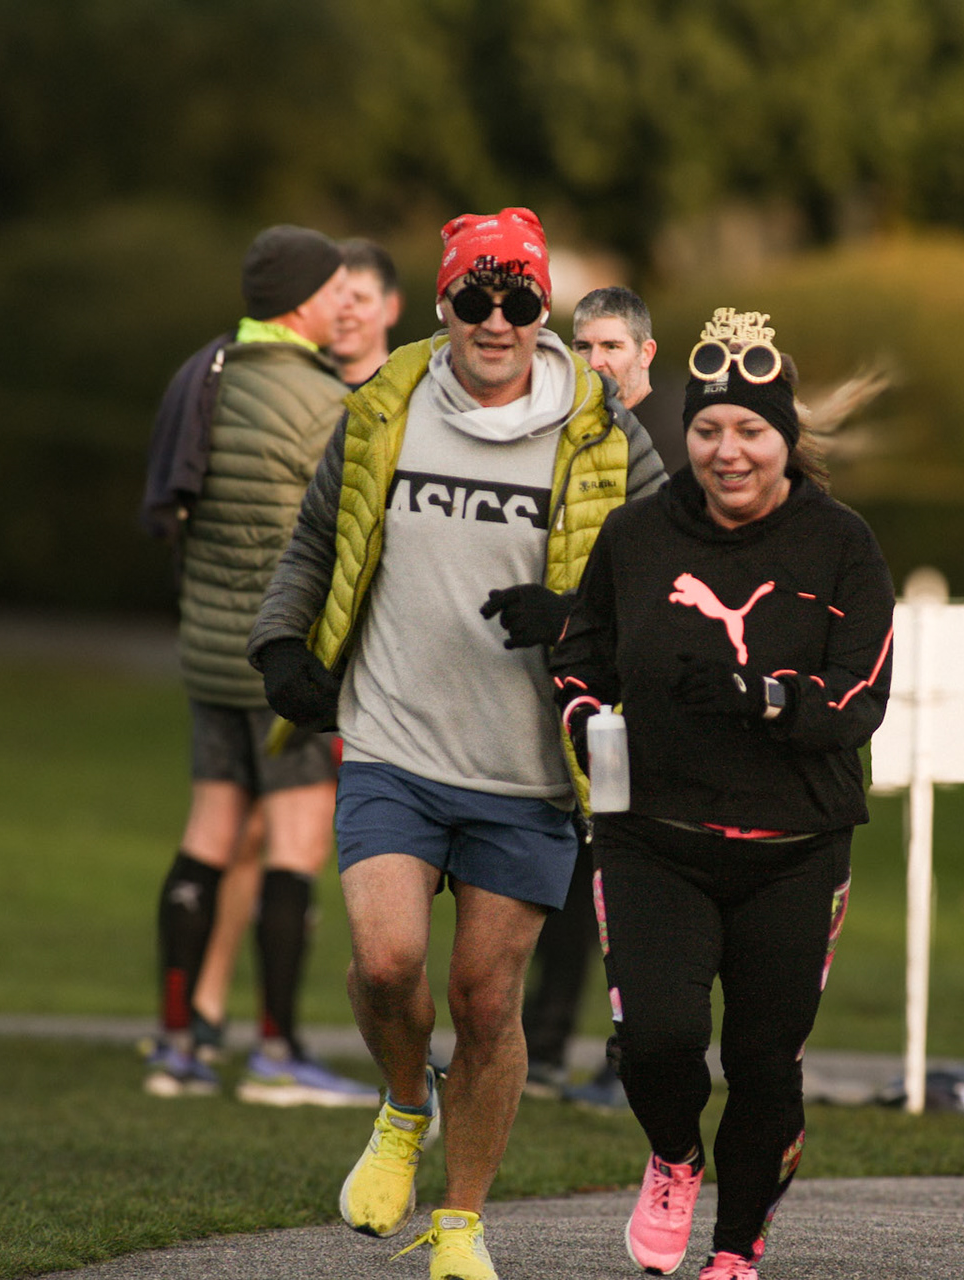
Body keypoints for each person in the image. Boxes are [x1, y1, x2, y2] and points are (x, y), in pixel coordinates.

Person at [248, 206, 664, 1280]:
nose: (495, 319)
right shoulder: (385, 401)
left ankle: (463, 1218)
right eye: (473, 297)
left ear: (543, 310)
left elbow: (669, 575)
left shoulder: (604, 426)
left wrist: (576, 620)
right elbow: (315, 538)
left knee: (486, 998)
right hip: (393, 738)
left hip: (529, 766)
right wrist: (279, 644)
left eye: (518, 298)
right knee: (388, 963)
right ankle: (400, 1106)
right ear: (443, 303)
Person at [547, 307, 894, 1280]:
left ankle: (737, 1247)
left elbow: (861, 696)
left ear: (786, 437)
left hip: (796, 844)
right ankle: (672, 1154)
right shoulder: (637, 535)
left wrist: (766, 695)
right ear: (685, 431)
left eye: (751, 431)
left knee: (763, 1060)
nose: (727, 451)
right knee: (657, 1040)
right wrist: (585, 722)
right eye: (708, 429)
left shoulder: (841, 544)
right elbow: (580, 656)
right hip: (653, 832)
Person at [142, 225, 379, 1108]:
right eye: (334, 290)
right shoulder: (320, 400)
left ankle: (176, 1043)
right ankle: (277, 1051)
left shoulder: (205, 372)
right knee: (293, 845)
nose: (343, 305)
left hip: (206, 652)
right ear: (305, 300)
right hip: (280, 663)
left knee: (207, 836)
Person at [520, 285, 660, 1110]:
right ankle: (539, 1050)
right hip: (564, 695)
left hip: (624, 710)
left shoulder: (649, 448)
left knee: (621, 877)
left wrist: (569, 616)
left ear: (646, 354)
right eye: (583, 346)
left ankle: (624, 1059)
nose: (595, 362)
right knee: (570, 879)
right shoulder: (564, 436)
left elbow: (653, 593)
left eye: (611, 347)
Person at [330, 238, 404, 388]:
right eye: (335, 296)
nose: (344, 313)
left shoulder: (413, 396)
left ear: (391, 308)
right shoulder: (296, 393)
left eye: (360, 299)